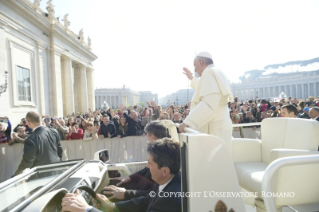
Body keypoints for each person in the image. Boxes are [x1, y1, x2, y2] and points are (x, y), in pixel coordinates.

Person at [61, 138, 181, 212]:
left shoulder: (170, 200)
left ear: (165, 171)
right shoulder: (168, 181)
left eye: (150, 164)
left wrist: (86, 209)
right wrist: (112, 207)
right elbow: (146, 200)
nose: (147, 167)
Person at [102, 121, 168, 201]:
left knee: (110, 192)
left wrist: (126, 193)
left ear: (153, 137)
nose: (147, 140)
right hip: (141, 184)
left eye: (148, 137)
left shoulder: (162, 156)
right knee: (113, 183)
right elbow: (146, 170)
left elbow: (153, 193)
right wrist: (129, 178)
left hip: (143, 191)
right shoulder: (157, 151)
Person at [179, 52, 233, 149]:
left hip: (215, 127)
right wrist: (192, 78)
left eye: (195, 66)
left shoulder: (209, 73)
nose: (195, 70)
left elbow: (209, 105)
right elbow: (204, 87)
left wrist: (188, 122)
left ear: (200, 63)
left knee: (215, 160)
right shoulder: (215, 71)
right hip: (221, 123)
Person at [14, 111, 63, 175]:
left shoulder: (31, 139)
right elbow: (60, 151)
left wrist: (17, 174)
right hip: (57, 171)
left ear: (28, 122)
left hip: (41, 176)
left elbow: (27, 162)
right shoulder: (54, 132)